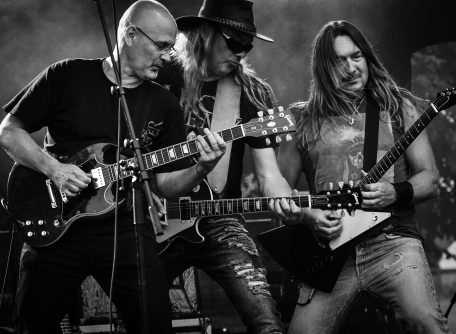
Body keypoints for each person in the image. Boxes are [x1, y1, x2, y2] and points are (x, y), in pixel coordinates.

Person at [0, 1, 225, 333]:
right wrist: (55, 170)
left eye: (171, 48)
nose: (169, 56)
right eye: (162, 46)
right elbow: (9, 131)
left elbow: (164, 185)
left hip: (126, 231)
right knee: (34, 325)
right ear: (131, 35)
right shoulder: (67, 75)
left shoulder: (162, 103)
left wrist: (202, 168)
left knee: (155, 325)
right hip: (57, 228)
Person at [275, 20, 451, 333]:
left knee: (426, 323)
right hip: (329, 254)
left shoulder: (398, 105)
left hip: (392, 242)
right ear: (323, 68)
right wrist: (307, 215)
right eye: (339, 61)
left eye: (357, 56)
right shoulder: (300, 118)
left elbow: (430, 178)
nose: (352, 67)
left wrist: (396, 192)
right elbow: (278, 192)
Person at [154, 0, 294, 332]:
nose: (242, 52)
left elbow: (269, 175)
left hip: (218, 217)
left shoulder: (251, 92)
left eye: (247, 45)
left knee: (266, 320)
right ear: (204, 32)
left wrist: (288, 200)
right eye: (234, 42)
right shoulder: (159, 74)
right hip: (153, 215)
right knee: (141, 314)